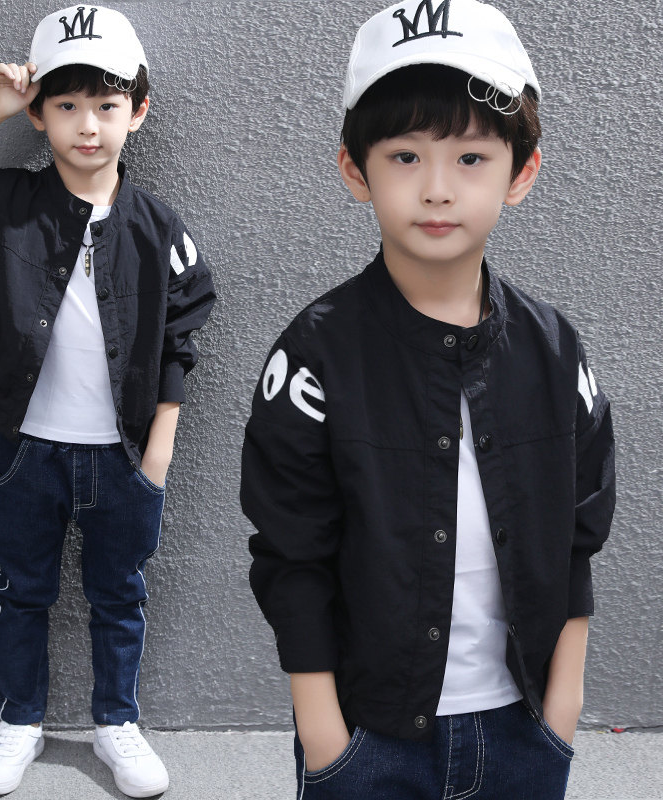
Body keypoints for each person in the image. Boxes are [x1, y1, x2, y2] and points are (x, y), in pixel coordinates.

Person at [240, 1, 615, 797]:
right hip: (368, 739)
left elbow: (580, 534)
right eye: (406, 156)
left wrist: (563, 706)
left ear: (522, 172)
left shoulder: (555, 351)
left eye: (471, 157)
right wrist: (325, 739)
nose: (438, 189)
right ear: (356, 170)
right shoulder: (314, 354)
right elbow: (291, 555)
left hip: (523, 728)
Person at [0, 5, 215, 797]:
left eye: (106, 104)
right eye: (66, 105)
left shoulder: (157, 227)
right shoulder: (8, 202)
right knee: (22, 590)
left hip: (124, 456)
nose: (88, 125)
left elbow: (182, 332)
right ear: (39, 114)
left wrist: (159, 451)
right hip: (24, 452)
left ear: (138, 110)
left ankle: (116, 722)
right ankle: (20, 722)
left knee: (119, 594)